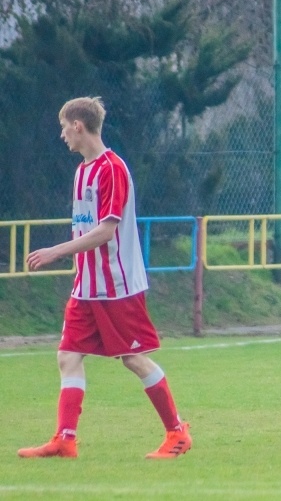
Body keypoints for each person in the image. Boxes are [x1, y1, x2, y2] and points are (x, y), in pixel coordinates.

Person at [17, 97, 191, 459]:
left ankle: (177, 432)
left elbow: (106, 231)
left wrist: (55, 251)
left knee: (133, 359)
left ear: (78, 126)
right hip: (87, 286)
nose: (62, 134)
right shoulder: (83, 170)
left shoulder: (111, 169)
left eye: (64, 127)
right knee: (68, 355)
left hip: (116, 286)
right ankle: (65, 439)